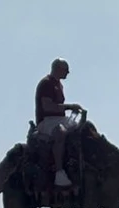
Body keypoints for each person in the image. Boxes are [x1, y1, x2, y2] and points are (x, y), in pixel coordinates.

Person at [34, 58, 83, 189]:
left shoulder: (59, 85)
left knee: (83, 128)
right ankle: (59, 172)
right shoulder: (46, 83)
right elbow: (47, 106)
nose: (68, 72)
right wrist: (69, 107)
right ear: (58, 69)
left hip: (59, 119)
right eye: (66, 69)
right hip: (47, 121)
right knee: (60, 132)